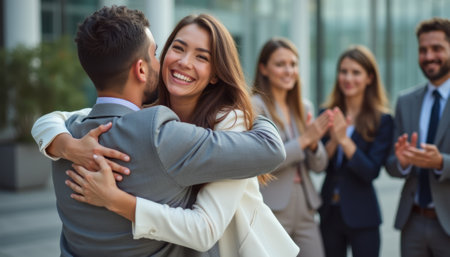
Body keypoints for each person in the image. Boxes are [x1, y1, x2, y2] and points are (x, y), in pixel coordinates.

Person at [30, 6, 287, 257]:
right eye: (176, 48)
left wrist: (116, 200)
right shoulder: (147, 119)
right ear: (143, 67)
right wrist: (65, 144)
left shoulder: (229, 122)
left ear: (215, 74)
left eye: (202, 56)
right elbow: (58, 119)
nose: (184, 62)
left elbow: (205, 229)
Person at [251, 37, 331, 257]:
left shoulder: (304, 106)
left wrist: (314, 143)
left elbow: (319, 166)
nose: (289, 70)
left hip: (306, 205)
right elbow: (262, 162)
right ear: (264, 68)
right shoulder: (254, 106)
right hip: (272, 205)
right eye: (280, 64)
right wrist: (305, 140)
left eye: (293, 64)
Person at [319, 45, 393, 257]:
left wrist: (344, 140)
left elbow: (370, 171)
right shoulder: (327, 113)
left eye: (356, 72)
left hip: (363, 215)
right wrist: (333, 141)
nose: (348, 78)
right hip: (329, 212)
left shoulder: (383, 120)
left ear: (369, 78)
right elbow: (320, 165)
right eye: (343, 71)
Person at [385, 17, 450, 257]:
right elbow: (391, 164)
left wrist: (441, 162)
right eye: (423, 50)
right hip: (412, 221)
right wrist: (401, 162)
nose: (429, 56)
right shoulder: (405, 101)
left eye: (437, 48)